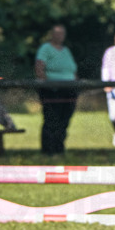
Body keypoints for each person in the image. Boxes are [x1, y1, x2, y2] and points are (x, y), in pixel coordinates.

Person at [34, 24, 78, 156]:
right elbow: (39, 67)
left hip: (69, 89)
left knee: (64, 119)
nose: (60, 36)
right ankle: (48, 150)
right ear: (52, 34)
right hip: (53, 90)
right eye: (58, 33)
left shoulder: (65, 51)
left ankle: (59, 148)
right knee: (52, 119)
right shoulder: (45, 49)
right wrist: (48, 84)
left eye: (62, 34)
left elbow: (72, 69)